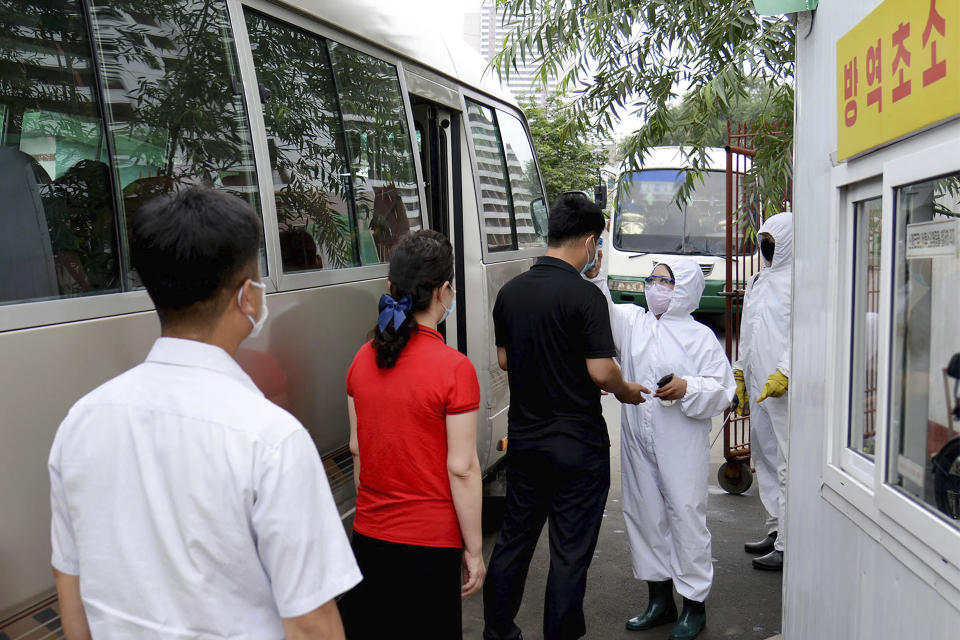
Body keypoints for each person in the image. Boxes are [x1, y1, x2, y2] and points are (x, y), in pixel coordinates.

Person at [47, 187, 361, 640]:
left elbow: (69, 583)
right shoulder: (272, 439)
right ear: (245, 297)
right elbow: (311, 624)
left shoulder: (82, 421)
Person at [483, 193, 649, 640]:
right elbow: (601, 371)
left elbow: (503, 359)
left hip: (527, 442)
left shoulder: (511, 292)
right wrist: (626, 389)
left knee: (514, 543)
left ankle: (498, 631)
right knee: (569, 553)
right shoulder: (584, 296)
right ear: (591, 241)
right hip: (578, 446)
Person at [341, 230, 484, 639]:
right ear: (443, 291)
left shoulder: (362, 358)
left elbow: (357, 449)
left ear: (391, 288)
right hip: (429, 548)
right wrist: (473, 550)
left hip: (368, 540)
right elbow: (462, 468)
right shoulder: (454, 368)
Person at [586, 256, 735, 640]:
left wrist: (688, 387)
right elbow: (599, 306)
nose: (655, 286)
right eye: (652, 279)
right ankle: (659, 599)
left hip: (680, 441)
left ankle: (693, 604)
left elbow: (723, 391)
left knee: (685, 516)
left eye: (665, 281)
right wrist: (596, 270)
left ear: (684, 288)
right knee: (644, 512)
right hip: (638, 438)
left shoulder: (699, 336)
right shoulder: (633, 322)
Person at [734, 211, 793, 571]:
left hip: (785, 387)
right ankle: (774, 528)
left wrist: (786, 370)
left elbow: (807, 330)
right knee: (765, 456)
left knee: (788, 463)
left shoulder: (801, 282)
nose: (766, 247)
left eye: (773, 241)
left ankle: (789, 542)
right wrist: (740, 371)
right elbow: (748, 330)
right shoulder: (758, 280)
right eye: (763, 241)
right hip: (758, 385)